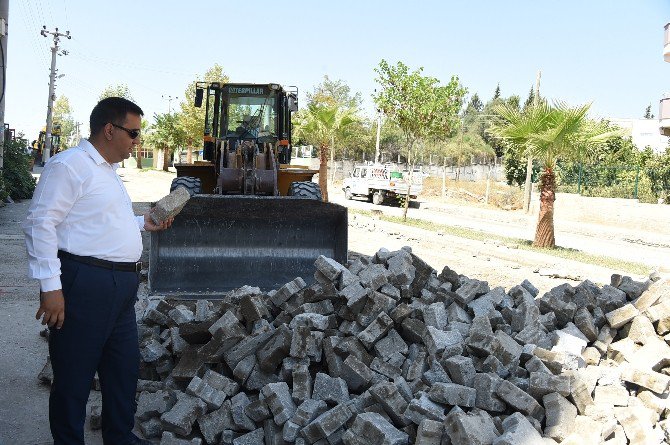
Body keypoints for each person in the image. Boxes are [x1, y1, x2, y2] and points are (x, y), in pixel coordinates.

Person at [23, 97, 172, 445]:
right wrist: (51, 287)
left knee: (121, 371)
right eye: (133, 133)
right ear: (110, 129)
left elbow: (97, 223)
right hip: (85, 284)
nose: (137, 141)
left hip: (119, 288)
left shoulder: (106, 171)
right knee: (73, 378)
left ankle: (119, 437)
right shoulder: (69, 166)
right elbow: (40, 224)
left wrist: (142, 223)